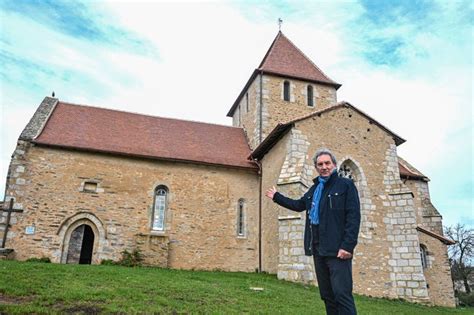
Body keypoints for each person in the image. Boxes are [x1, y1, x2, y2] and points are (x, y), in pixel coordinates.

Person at [266, 148, 360, 315]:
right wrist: (276, 196)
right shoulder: (314, 190)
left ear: (334, 165)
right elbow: (298, 205)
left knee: (341, 294)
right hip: (318, 249)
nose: (324, 167)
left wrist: (348, 246)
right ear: (316, 168)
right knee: (327, 295)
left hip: (338, 250)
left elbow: (353, 217)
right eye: (320, 164)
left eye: (327, 163)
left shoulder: (346, 185)